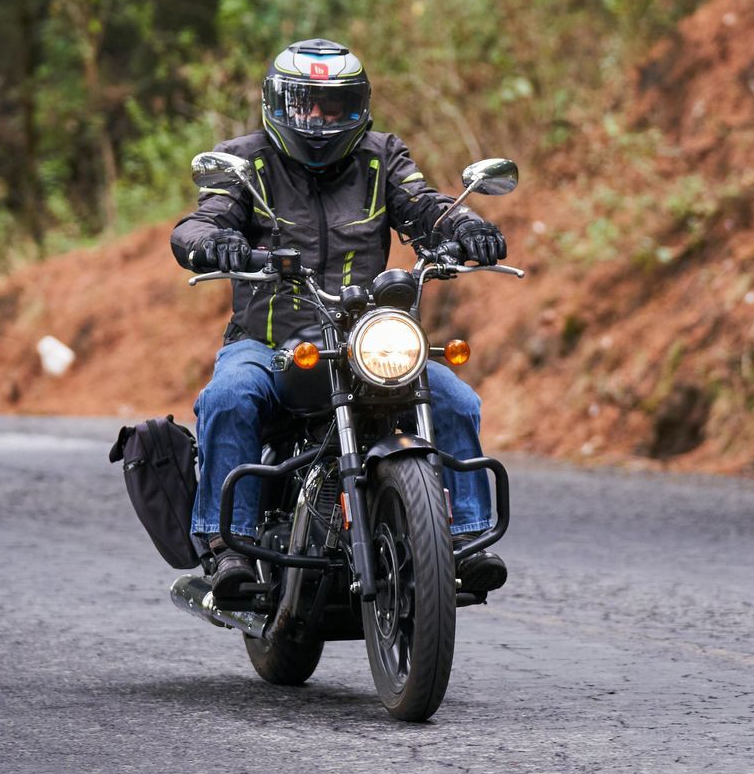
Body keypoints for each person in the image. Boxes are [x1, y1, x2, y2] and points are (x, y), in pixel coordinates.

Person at [170, 37, 509, 600]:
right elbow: (200, 222)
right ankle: (225, 546)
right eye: (309, 105)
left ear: (360, 105)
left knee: (454, 399)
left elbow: (424, 205)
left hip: (363, 339)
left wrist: (465, 227)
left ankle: (464, 539)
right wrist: (219, 244)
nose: (323, 119)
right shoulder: (246, 161)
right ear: (278, 105)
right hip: (268, 339)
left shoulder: (381, 157)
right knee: (228, 397)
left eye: (337, 105)